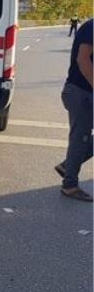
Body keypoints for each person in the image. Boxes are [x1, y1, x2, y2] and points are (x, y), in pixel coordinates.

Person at [55, 18, 93, 201]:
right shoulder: (92, 27)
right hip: (80, 92)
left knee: (81, 138)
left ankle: (68, 166)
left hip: (86, 92)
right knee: (80, 138)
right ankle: (69, 185)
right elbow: (83, 59)